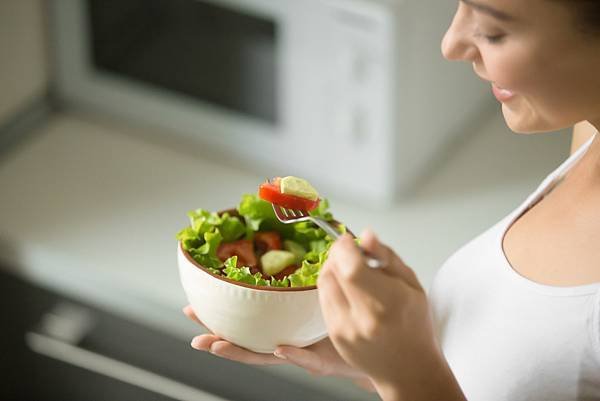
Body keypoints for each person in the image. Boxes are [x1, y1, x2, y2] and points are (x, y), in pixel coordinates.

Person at [183, 0, 600, 399]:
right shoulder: (589, 131)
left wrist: (407, 372)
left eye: (494, 30)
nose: (451, 44)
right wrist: (366, 357)